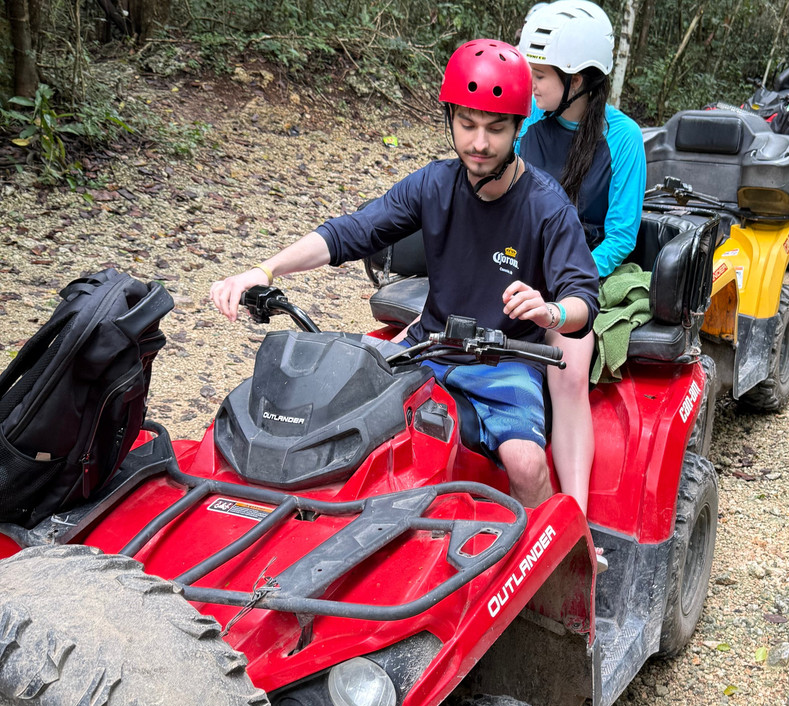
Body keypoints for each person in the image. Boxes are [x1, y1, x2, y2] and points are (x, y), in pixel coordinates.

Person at [210, 40, 600, 508]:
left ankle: (550, 556)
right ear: (450, 119)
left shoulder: (546, 206)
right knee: (344, 427)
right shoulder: (433, 183)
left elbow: (583, 299)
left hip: (505, 361)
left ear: (518, 127)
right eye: (467, 124)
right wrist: (265, 268)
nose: (479, 143)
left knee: (526, 463)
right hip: (428, 349)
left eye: (495, 129)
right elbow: (350, 232)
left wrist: (551, 311)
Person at [516, 0, 647, 514]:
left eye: (541, 75)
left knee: (568, 365)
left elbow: (620, 236)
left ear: (581, 79)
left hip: (580, 265)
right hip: (523, 255)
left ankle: (576, 514)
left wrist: (567, 279)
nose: (532, 85)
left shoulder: (624, 138)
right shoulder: (525, 121)